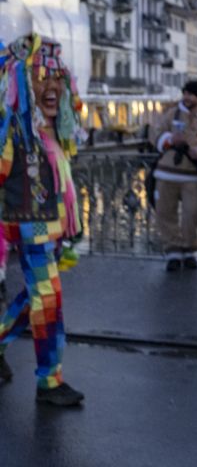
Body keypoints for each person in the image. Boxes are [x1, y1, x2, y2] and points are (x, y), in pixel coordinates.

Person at [0, 34, 85, 406]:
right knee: (47, 295)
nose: (51, 87)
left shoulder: (55, 127)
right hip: (28, 223)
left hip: (51, 226)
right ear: (22, 81)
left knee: (37, 295)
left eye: (57, 78)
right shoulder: (13, 125)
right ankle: (49, 381)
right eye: (41, 77)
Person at [150, 81, 197, 271]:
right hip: (166, 172)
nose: (187, 98)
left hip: (193, 175)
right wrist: (168, 139)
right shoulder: (172, 113)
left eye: (191, 94)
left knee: (192, 215)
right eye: (185, 93)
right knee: (165, 213)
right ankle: (173, 252)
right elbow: (155, 134)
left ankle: (191, 251)